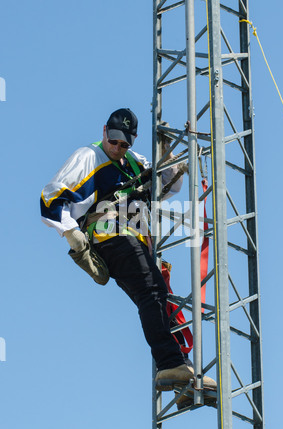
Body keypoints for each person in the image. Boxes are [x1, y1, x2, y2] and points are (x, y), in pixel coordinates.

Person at [40, 108, 196, 392]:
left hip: (136, 237)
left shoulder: (134, 162)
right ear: (104, 132)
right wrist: (70, 232)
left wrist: (170, 154)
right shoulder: (89, 156)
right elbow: (51, 195)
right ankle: (169, 363)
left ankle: (180, 367)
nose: (116, 147)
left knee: (157, 295)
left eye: (123, 143)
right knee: (152, 291)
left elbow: (167, 187)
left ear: (131, 142)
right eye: (113, 140)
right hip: (109, 234)